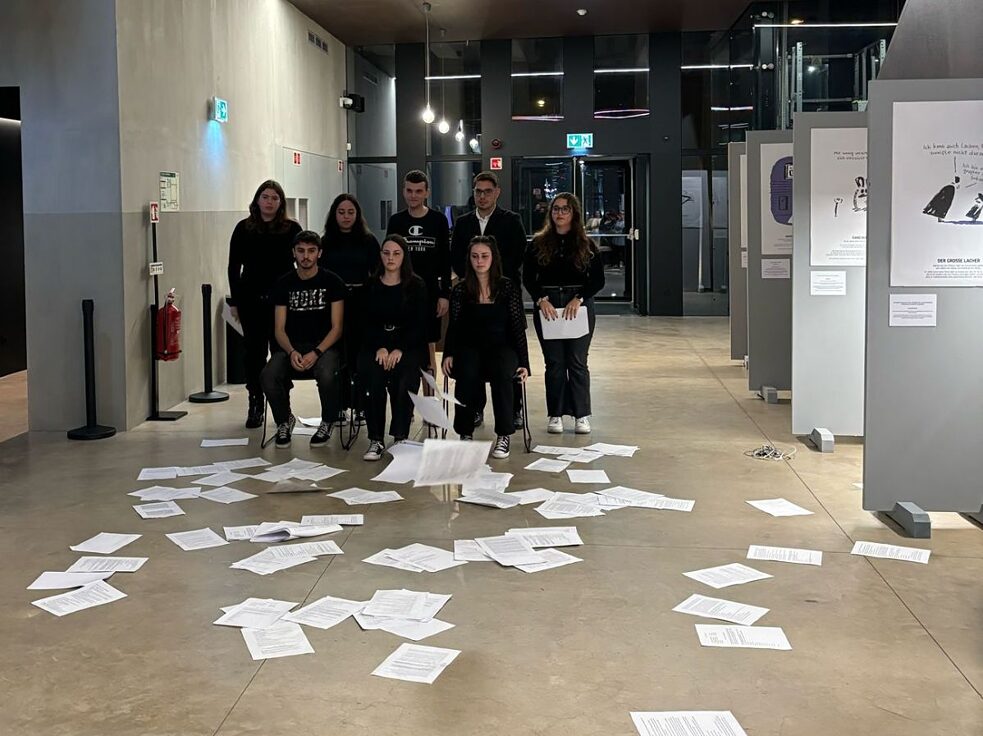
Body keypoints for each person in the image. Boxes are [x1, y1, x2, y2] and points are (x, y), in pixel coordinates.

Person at [450, 171, 528, 429]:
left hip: (504, 298)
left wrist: (495, 284)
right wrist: (474, 283)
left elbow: (517, 256)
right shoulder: (462, 223)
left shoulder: (511, 220)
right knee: (472, 360)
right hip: (473, 295)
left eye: (487, 191)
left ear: (497, 192)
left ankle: (512, 411)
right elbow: (457, 258)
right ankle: (475, 410)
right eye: (478, 191)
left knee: (505, 359)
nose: (482, 196)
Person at [523, 192, 605, 435]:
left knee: (578, 362)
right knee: (555, 363)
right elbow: (528, 277)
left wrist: (579, 298)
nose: (559, 213)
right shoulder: (538, 243)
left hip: (577, 306)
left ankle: (581, 415)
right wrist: (540, 299)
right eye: (556, 208)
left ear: (574, 213)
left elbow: (598, 280)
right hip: (548, 305)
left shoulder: (586, 244)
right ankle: (556, 414)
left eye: (565, 209)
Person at [442, 236, 529, 459]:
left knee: (502, 372)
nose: (479, 261)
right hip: (470, 345)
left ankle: (504, 434)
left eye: (484, 256)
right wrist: (449, 353)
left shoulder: (507, 287)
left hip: (502, 346)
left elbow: (518, 327)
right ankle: (465, 433)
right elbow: (455, 326)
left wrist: (524, 362)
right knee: (467, 371)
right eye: (475, 256)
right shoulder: (461, 290)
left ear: (493, 258)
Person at [260, 231, 346, 449]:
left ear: (320, 253)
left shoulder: (332, 282)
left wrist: (316, 352)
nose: (306, 256)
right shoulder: (283, 284)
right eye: (301, 251)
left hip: (324, 348)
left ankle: (327, 421)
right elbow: (279, 329)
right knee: (268, 376)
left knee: (327, 373)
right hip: (291, 348)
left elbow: (337, 328)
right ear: (294, 253)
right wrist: (291, 352)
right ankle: (284, 420)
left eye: (311, 251)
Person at [228, 180, 302, 428]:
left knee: (282, 353)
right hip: (251, 300)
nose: (269, 201)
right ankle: (255, 402)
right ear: (257, 200)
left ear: (281, 203)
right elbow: (233, 267)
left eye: (275, 198)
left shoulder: (292, 229)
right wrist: (236, 301)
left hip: (281, 302)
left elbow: (301, 264)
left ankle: (284, 406)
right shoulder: (243, 228)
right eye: (265, 196)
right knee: (254, 354)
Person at [358, 235, 429, 461]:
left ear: (404, 256)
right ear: (380, 255)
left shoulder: (416, 285)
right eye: (386, 253)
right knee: (373, 376)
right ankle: (376, 439)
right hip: (376, 345)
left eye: (396, 253)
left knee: (405, 377)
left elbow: (420, 324)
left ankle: (400, 436)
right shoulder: (370, 285)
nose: (390, 258)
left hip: (407, 346)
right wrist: (379, 346)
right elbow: (365, 322)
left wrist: (400, 348)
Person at [385, 170, 451, 384]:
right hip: (401, 294)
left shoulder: (438, 220)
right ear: (404, 192)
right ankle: (407, 406)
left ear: (426, 193)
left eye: (418, 191)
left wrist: (444, 294)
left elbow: (445, 260)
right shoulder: (396, 221)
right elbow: (388, 258)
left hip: (430, 294)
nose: (413, 195)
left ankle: (430, 406)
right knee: (403, 347)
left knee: (428, 352)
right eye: (409, 191)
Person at [320, 193, 380, 417]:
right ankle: (338, 405)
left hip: (360, 304)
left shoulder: (368, 240)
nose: (346, 217)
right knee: (337, 356)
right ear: (334, 214)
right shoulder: (325, 242)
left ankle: (360, 406)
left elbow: (377, 274)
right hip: (334, 305)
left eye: (350, 212)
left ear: (358, 215)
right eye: (341, 212)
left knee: (359, 356)